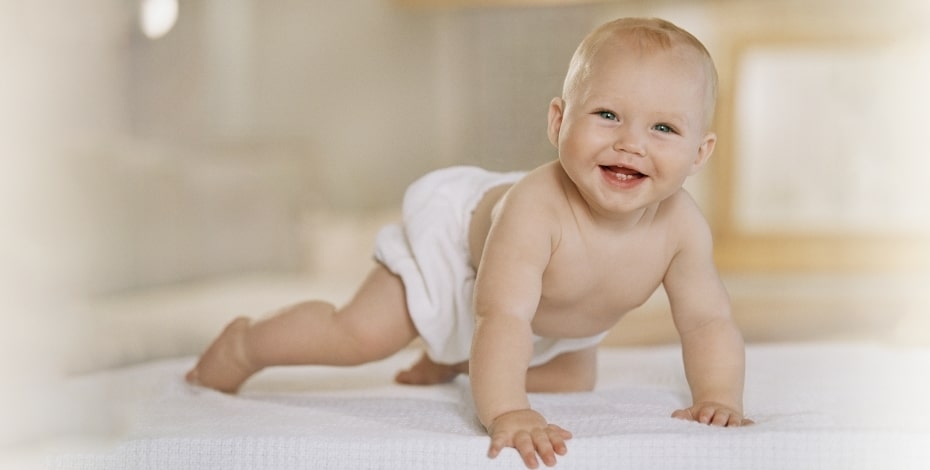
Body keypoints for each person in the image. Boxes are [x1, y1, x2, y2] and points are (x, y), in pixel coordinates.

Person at [186, 17, 749, 469]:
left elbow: (707, 323)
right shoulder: (536, 209)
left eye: (664, 129)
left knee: (574, 379)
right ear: (558, 123)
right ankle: (246, 345)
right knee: (360, 335)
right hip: (460, 258)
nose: (630, 143)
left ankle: (450, 361)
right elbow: (500, 315)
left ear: (700, 152)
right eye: (607, 115)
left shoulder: (681, 227)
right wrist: (508, 411)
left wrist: (719, 398)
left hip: (552, 311)